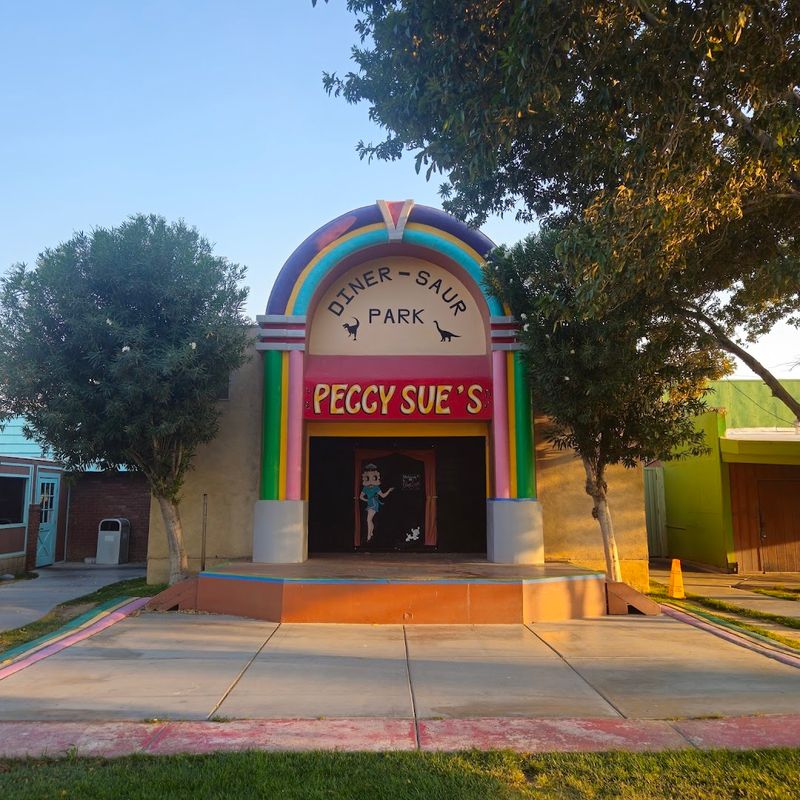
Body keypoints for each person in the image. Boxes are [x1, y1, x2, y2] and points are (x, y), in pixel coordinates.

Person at [359, 463, 394, 542]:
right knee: (370, 520)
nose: (371, 479)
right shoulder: (365, 488)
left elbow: (383, 496)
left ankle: (369, 536)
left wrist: (388, 490)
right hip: (369, 504)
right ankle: (371, 533)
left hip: (374, 503)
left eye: (373, 477)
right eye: (369, 477)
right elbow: (361, 497)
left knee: (368, 520)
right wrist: (367, 500)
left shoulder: (376, 487)